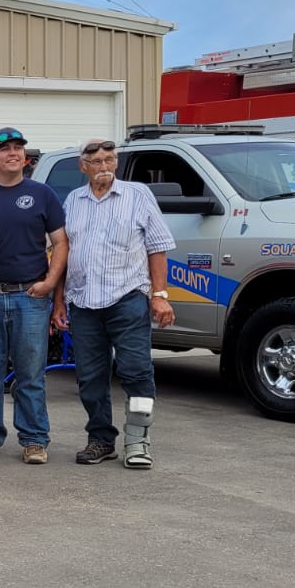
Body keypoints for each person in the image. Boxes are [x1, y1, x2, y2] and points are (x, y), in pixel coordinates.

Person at [52, 138, 177, 468]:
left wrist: (159, 296)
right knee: (90, 377)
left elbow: (158, 247)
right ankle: (100, 439)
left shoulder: (137, 195)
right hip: (82, 303)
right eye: (96, 162)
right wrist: (59, 301)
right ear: (83, 167)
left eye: (109, 160)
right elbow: (64, 255)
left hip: (127, 300)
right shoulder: (73, 201)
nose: (104, 167)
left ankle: (138, 440)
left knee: (136, 372)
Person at [0, 126, 67, 465]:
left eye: (18, 148)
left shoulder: (43, 194)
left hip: (31, 296)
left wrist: (50, 285)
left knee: (30, 373)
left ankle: (34, 439)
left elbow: (60, 243)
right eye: (5, 148)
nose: (13, 153)